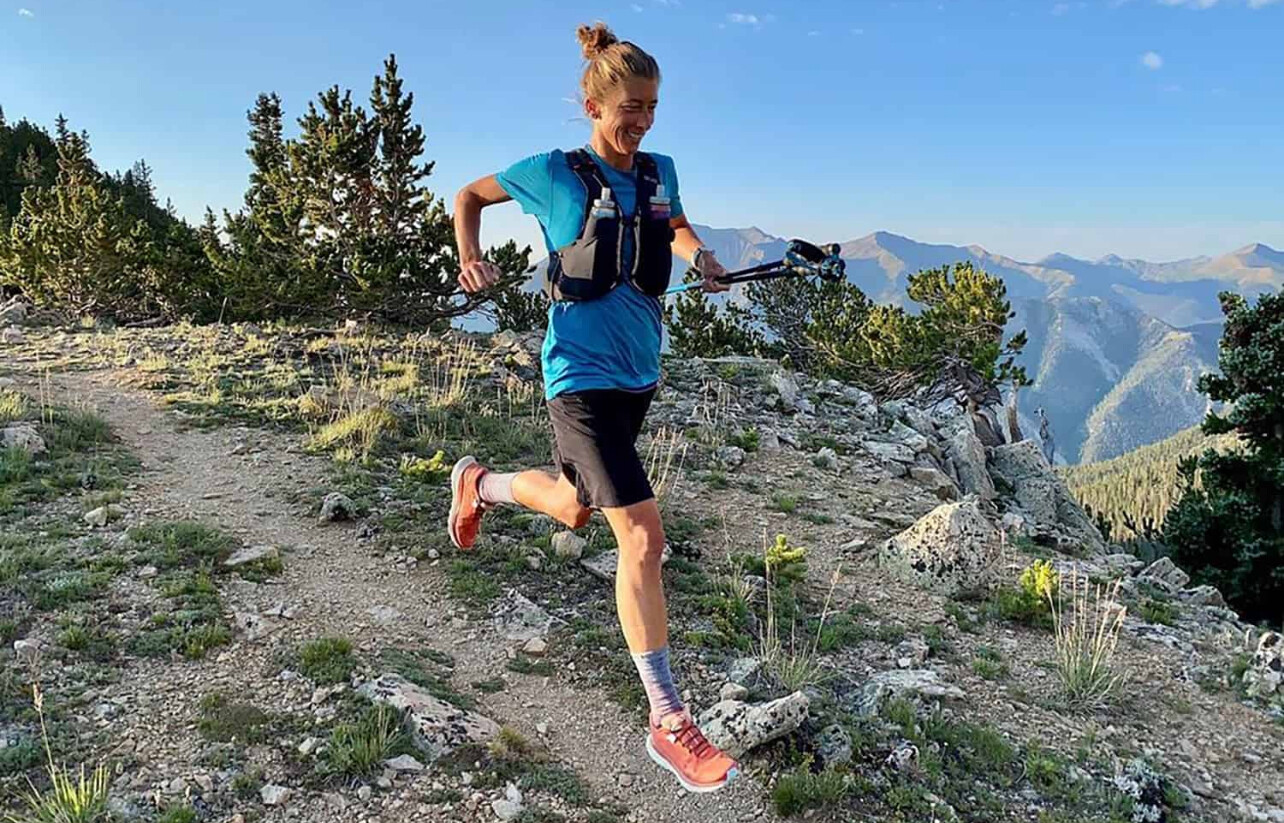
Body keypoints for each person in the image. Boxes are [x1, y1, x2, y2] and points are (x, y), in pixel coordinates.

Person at [450, 21, 740, 794]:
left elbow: (674, 225)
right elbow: (468, 195)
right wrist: (470, 256)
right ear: (593, 105)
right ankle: (668, 718)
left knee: (574, 508)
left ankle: (479, 483)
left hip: (637, 375)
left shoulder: (659, 171)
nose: (643, 119)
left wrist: (702, 257)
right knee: (642, 537)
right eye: (631, 106)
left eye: (652, 106)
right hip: (576, 379)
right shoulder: (553, 172)